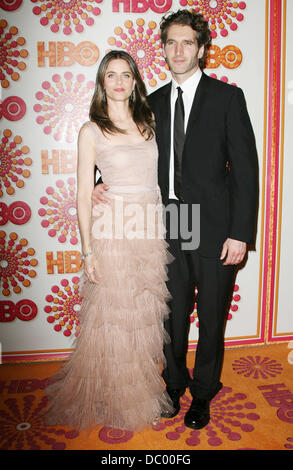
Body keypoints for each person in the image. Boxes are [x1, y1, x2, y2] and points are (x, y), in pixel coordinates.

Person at [92, 10, 258, 430]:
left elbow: (245, 170)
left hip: (216, 225)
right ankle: (173, 384)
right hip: (169, 220)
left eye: (187, 42)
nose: (179, 50)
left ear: (202, 49)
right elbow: (122, 144)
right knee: (172, 312)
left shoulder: (227, 98)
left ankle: (202, 393)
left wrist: (240, 233)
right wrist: (98, 180)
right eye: (171, 42)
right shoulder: (153, 103)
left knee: (212, 314)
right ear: (162, 49)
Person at [43, 50, 174, 433]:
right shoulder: (91, 129)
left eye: (126, 75)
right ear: (102, 83)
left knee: (143, 319)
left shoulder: (149, 122)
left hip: (149, 227)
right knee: (115, 320)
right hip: (113, 230)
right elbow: (83, 194)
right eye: (111, 75)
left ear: (135, 81)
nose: (119, 82)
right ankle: (121, 397)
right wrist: (87, 252)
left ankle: (141, 392)